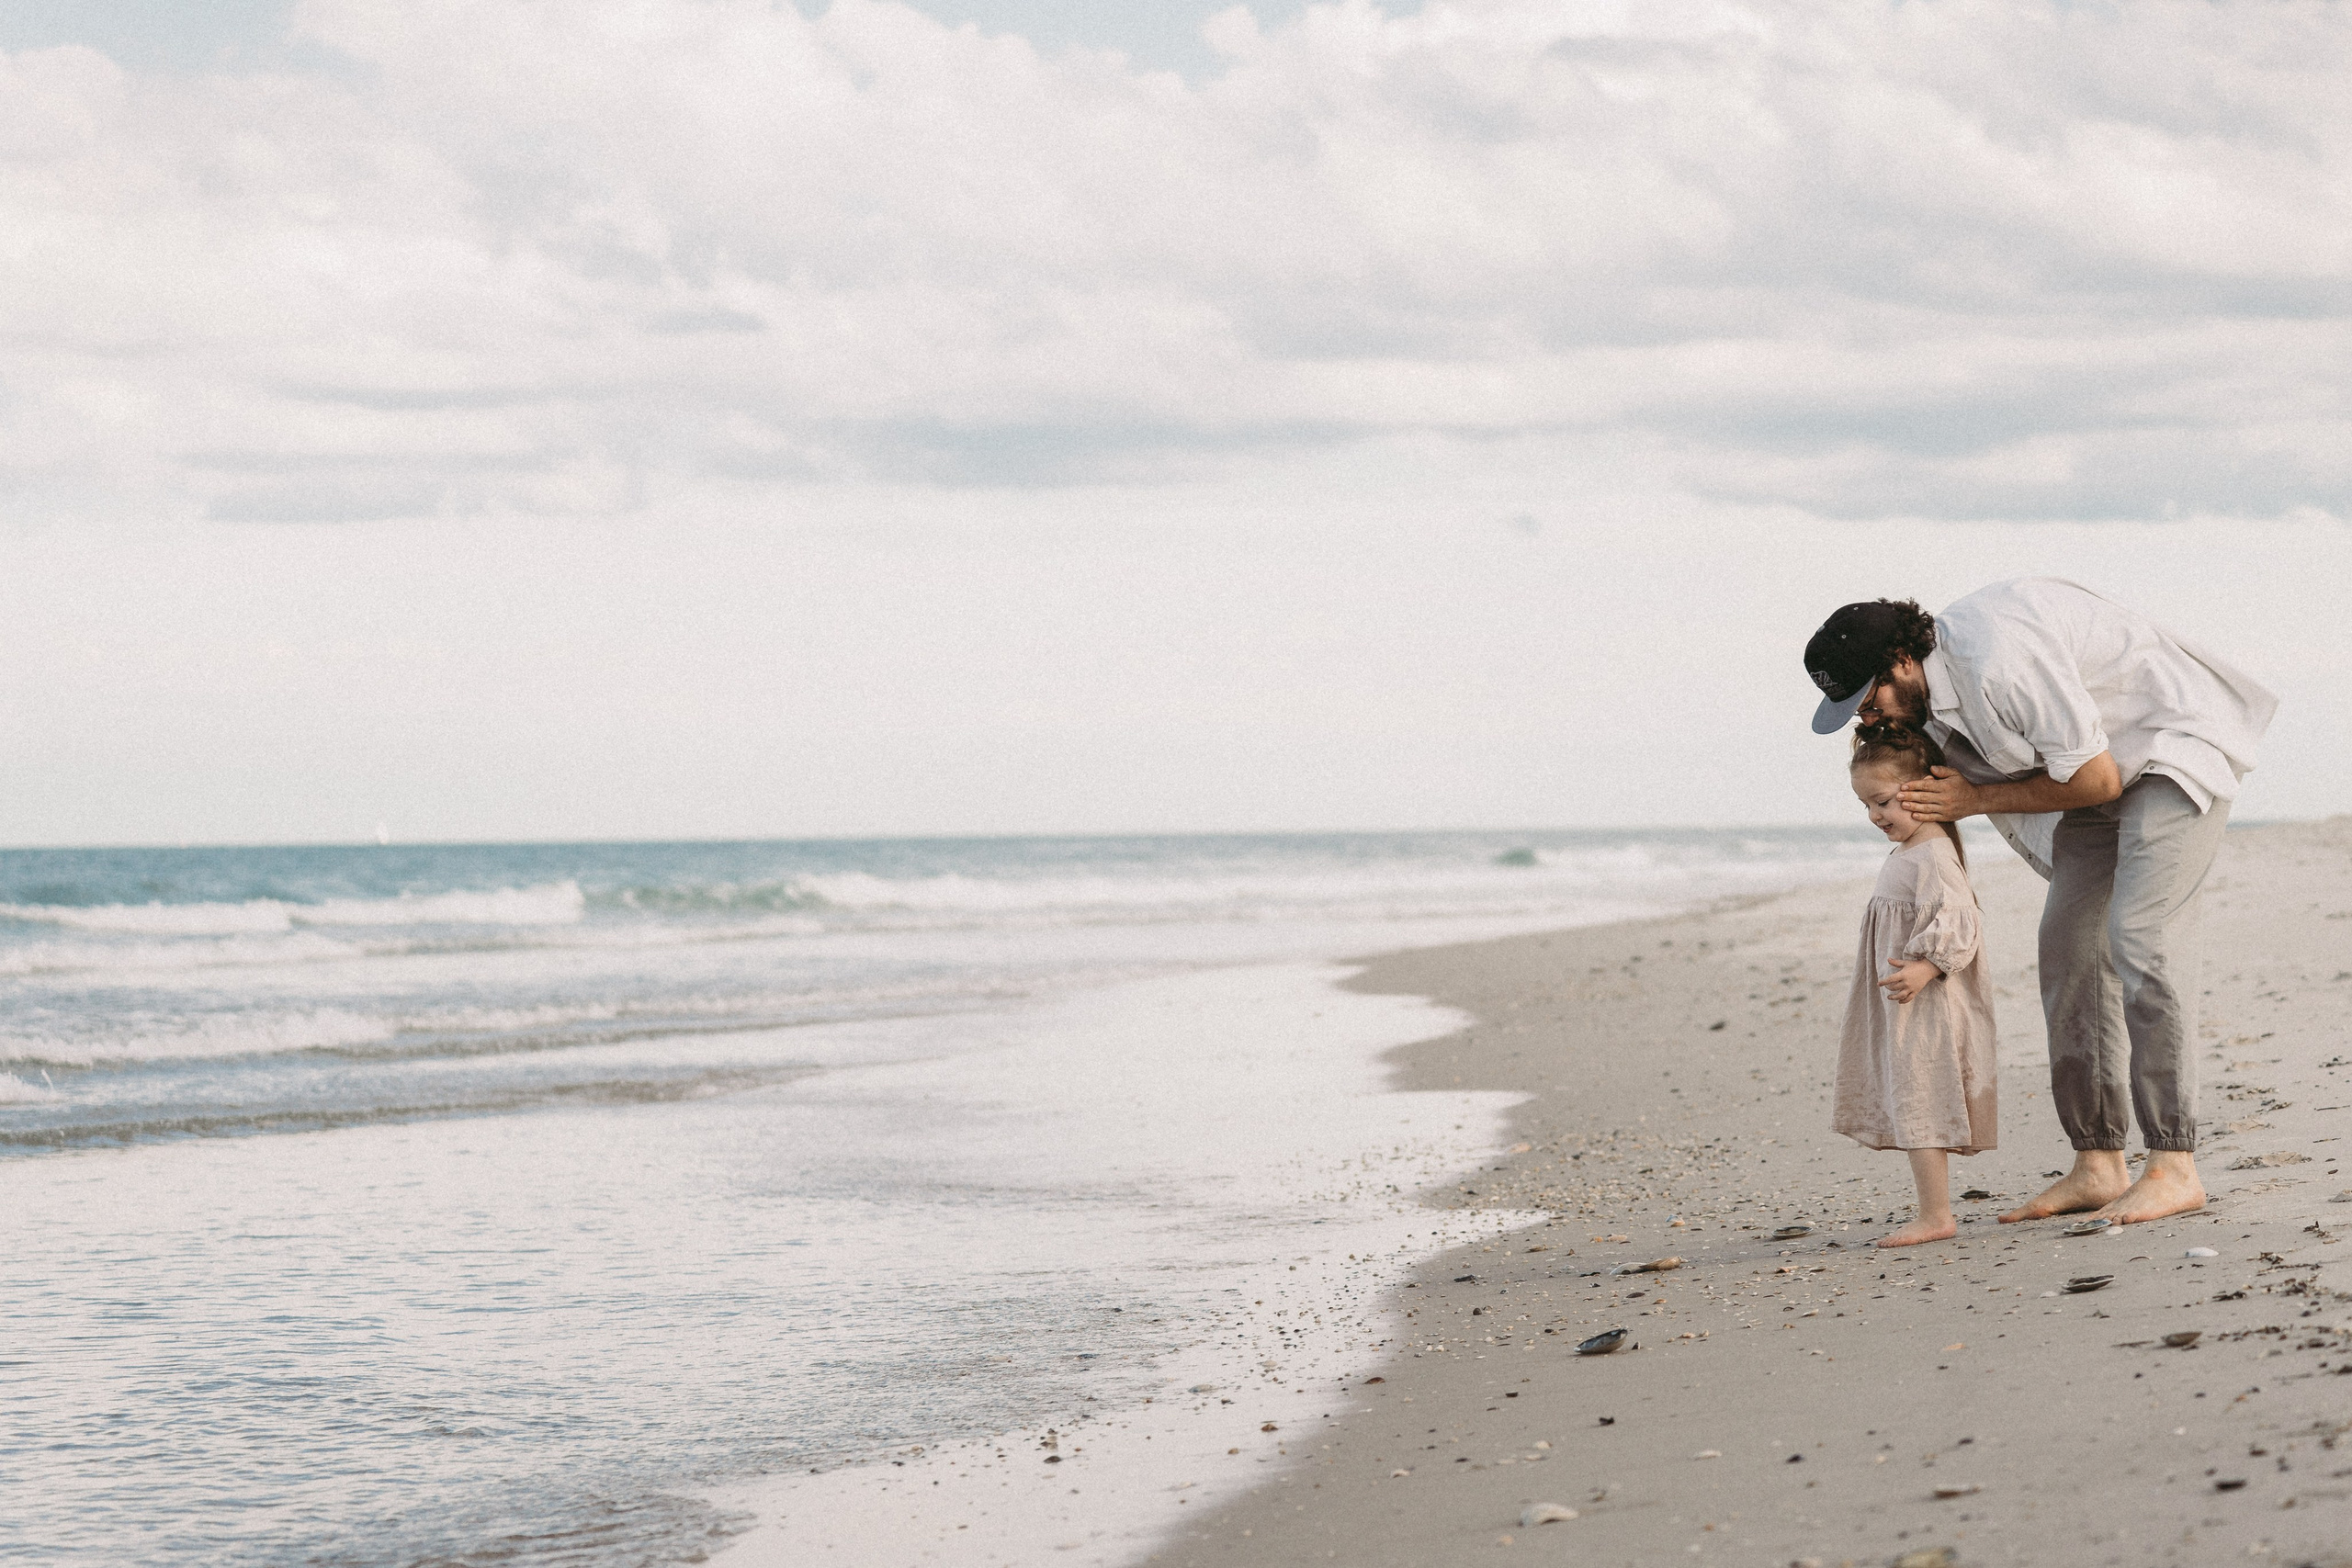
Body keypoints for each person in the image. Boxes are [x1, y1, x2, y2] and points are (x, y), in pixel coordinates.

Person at [1802, 581, 2275, 1226]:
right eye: (1854, 710)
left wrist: (1973, 800)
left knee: (2138, 938)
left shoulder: (1998, 660)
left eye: (1868, 698)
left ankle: (2173, 1164)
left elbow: (2096, 777)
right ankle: (2099, 1161)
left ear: (1903, 663)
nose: (1868, 717)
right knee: (2069, 949)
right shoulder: (1925, 703)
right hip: (2088, 774)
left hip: (2169, 749)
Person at [1836, 723, 1998, 1247]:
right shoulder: (1913, 850)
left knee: (1921, 1097)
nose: (1874, 816)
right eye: (1866, 805)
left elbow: (1962, 922)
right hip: (1903, 1001)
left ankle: (1936, 1215)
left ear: (1921, 790)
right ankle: (1933, 1210)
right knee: (1911, 1095)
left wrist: (1927, 966)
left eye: (1882, 801)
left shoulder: (1931, 853)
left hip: (1924, 1003)